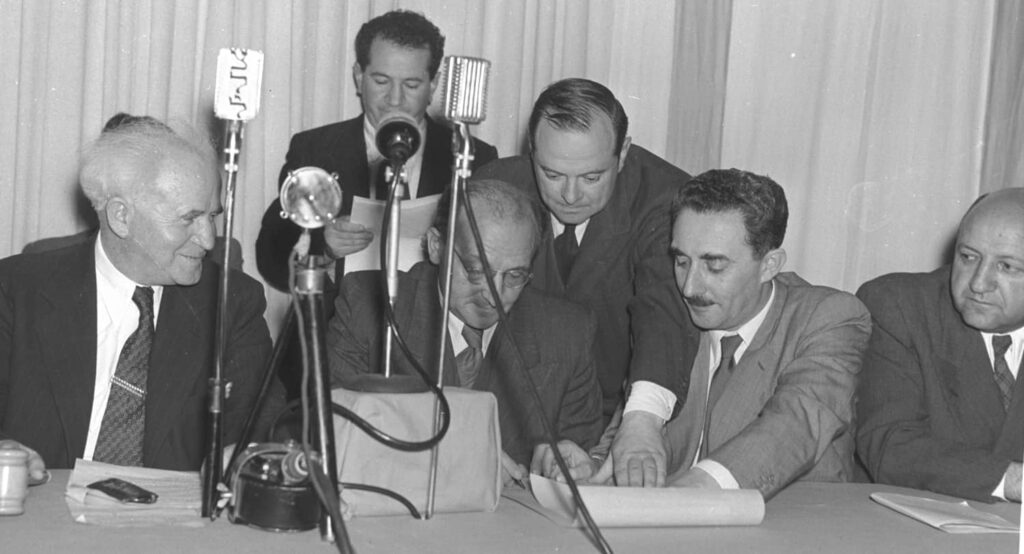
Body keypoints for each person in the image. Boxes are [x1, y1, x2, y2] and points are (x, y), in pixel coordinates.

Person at [540, 169, 870, 498]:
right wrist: (594, 468)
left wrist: (696, 488)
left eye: (714, 266)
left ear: (769, 265)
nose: (689, 287)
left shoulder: (829, 317)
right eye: (682, 261)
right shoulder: (670, 321)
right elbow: (635, 433)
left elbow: (797, 424)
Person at [0, 118, 273, 477]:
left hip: (168, 525)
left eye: (211, 216)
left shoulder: (233, 302)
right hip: (43, 516)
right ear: (121, 217)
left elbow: (260, 423)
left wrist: (240, 456)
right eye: (188, 219)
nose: (208, 239)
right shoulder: (17, 290)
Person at [326, 179, 603, 481]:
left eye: (515, 275)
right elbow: (329, 430)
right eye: (476, 270)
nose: (492, 294)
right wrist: (453, 453)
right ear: (436, 246)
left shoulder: (567, 332)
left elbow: (581, 454)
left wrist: (577, 467)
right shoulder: (370, 306)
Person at [476, 78, 693, 425]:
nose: (571, 196)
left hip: (622, 412)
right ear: (531, 148)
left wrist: (642, 420)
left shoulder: (668, 200)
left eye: (591, 177)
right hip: (511, 408)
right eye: (552, 174)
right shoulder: (494, 190)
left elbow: (662, 313)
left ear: (622, 153)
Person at [256, 9, 499, 292]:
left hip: (433, 326)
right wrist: (323, 248)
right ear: (359, 77)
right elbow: (270, 255)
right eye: (381, 81)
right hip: (335, 328)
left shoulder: (473, 157)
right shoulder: (315, 150)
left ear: (433, 84)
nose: (395, 99)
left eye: (411, 84)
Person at [856, 188, 1024, 503]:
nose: (978, 283)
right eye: (968, 257)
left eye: (1007, 267)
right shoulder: (898, 306)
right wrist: (1012, 481)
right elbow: (891, 445)